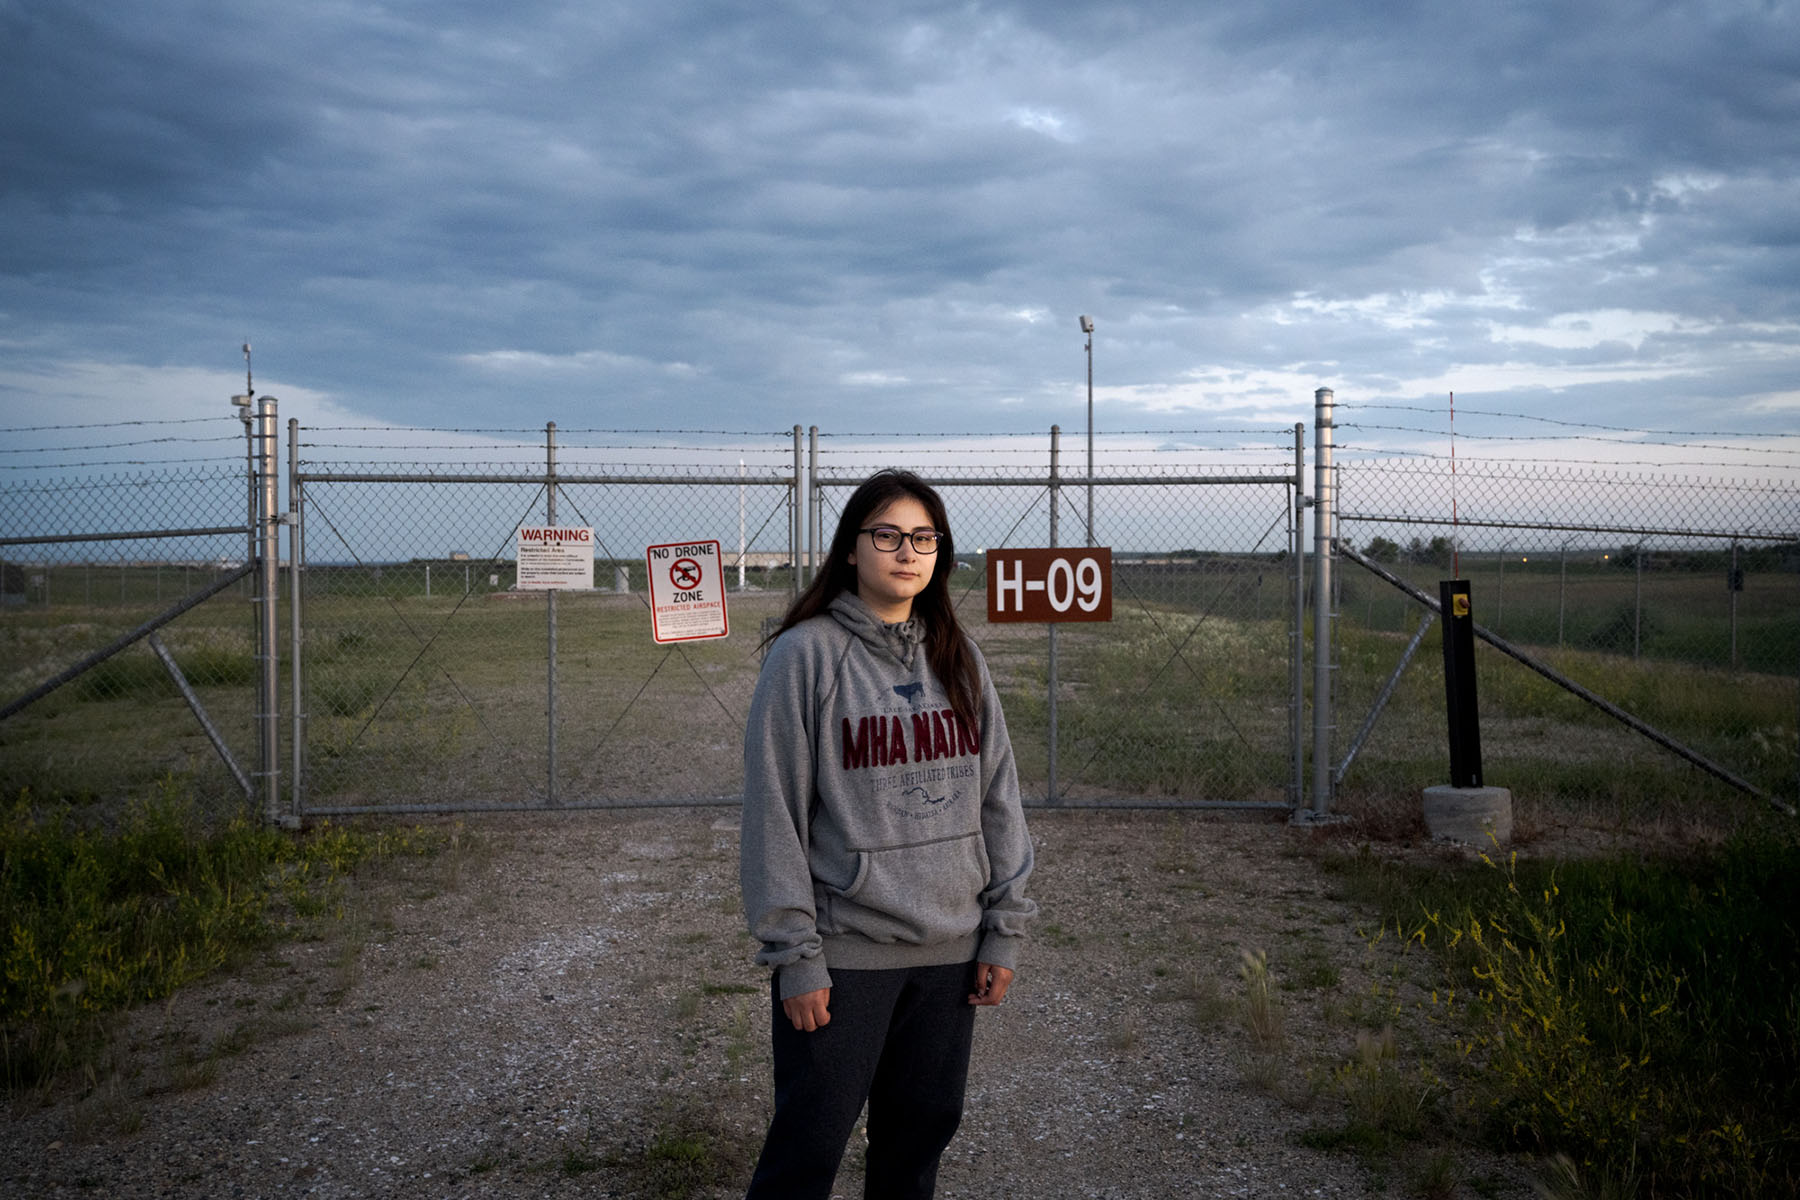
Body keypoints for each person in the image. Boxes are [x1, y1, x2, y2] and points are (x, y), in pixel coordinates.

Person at [738, 468, 1038, 1200]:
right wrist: (796, 957)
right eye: (888, 535)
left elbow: (998, 797)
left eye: (925, 538)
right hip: (846, 958)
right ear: (851, 548)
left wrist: (1002, 930)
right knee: (805, 1155)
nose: (907, 552)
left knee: (913, 1155)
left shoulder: (959, 657)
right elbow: (773, 810)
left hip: (950, 955)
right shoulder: (803, 657)